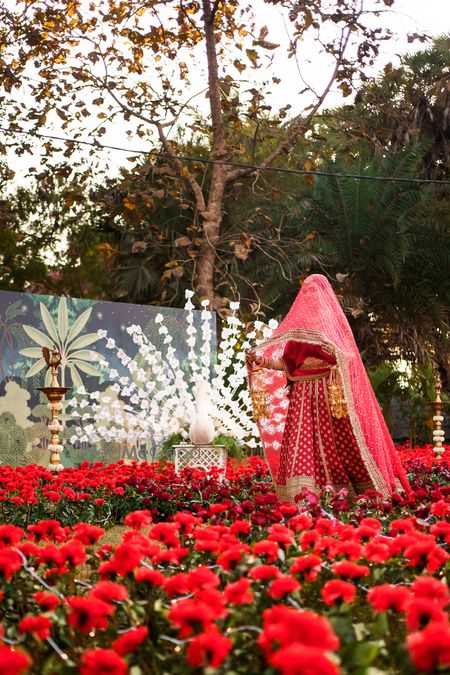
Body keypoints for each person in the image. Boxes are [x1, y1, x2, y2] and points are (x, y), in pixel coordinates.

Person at [246, 274, 411, 502]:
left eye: (315, 293)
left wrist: (332, 349)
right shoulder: (298, 331)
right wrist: (262, 361)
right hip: (302, 397)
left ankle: (353, 490)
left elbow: (350, 359)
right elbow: (286, 363)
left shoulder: (334, 326)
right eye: (307, 293)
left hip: (330, 396)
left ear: (324, 296)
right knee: (299, 445)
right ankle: (301, 494)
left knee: (342, 446)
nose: (310, 297)